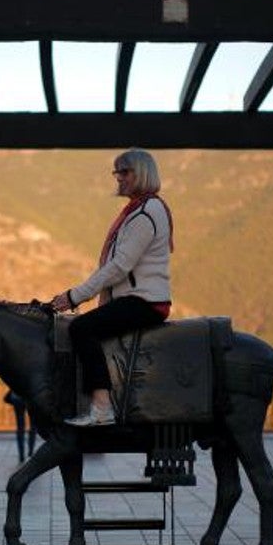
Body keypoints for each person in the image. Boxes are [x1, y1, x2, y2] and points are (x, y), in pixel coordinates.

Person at [51, 148, 173, 427]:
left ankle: (103, 407)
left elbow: (119, 266)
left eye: (125, 172)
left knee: (81, 328)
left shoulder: (146, 212)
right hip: (136, 298)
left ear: (142, 173)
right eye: (117, 172)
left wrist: (74, 296)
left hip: (145, 302)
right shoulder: (137, 210)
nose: (118, 178)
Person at [4, 389, 37, 462]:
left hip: (17, 396)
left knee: (20, 427)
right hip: (32, 396)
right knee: (33, 425)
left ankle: (21, 455)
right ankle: (31, 453)